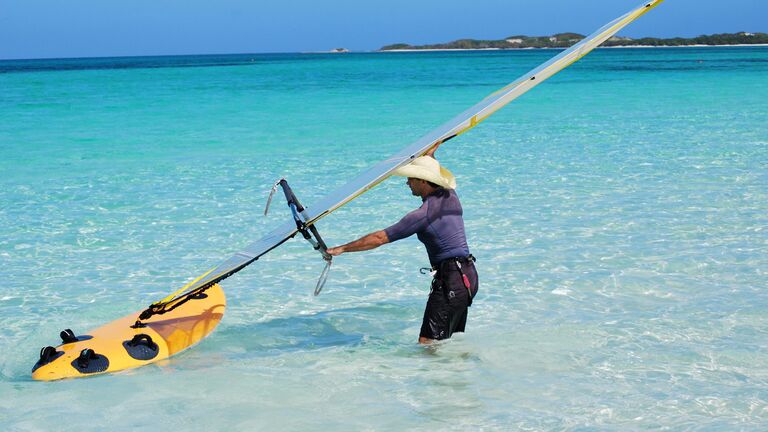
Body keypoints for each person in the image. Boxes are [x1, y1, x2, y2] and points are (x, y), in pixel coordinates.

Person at [327, 144, 478, 344]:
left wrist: (343, 248)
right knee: (445, 341)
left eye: (411, 178)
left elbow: (379, 238)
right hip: (468, 276)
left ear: (423, 181)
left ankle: (433, 374)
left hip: (451, 281)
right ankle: (457, 372)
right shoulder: (450, 196)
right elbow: (432, 169)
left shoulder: (422, 215)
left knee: (427, 344)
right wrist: (430, 155)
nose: (407, 183)